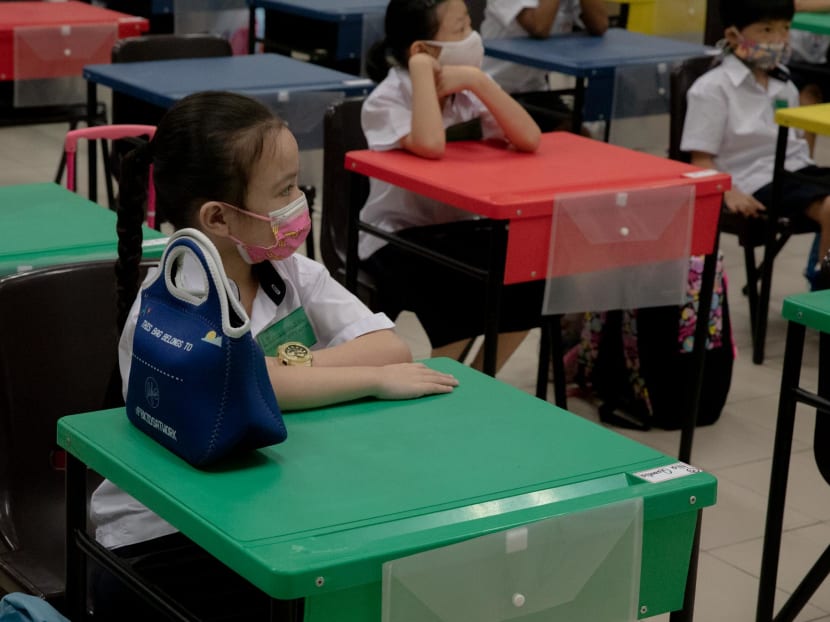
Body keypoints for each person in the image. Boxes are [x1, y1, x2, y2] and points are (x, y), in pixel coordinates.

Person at [90, 90, 459, 621]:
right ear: (219, 217)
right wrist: (371, 379)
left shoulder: (291, 272)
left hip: (265, 515)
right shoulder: (169, 305)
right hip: (162, 538)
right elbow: (245, 388)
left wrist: (287, 369)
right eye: (284, 190)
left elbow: (389, 345)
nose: (299, 202)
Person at [361, 0, 543, 372]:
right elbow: (430, 144)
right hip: (394, 235)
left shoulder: (468, 87)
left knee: (529, 275)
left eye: (469, 25)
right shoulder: (387, 100)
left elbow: (529, 138)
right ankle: (442, 385)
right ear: (423, 49)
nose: (472, 37)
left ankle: (478, 380)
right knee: (457, 293)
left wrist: (480, 81)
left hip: (457, 228)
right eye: (460, 29)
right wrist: (421, 70)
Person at [681, 0, 830, 290]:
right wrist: (729, 191)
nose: (779, 39)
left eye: (785, 29)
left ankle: (821, 273)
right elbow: (700, 160)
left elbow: (795, 145)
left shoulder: (784, 84)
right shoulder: (712, 88)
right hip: (754, 180)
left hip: (793, 171)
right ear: (733, 35)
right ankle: (823, 289)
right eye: (766, 30)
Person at [480, 0, 608, 130]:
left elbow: (600, 25)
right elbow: (539, 27)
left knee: (577, 134)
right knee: (527, 138)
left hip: (534, 88)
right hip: (494, 88)